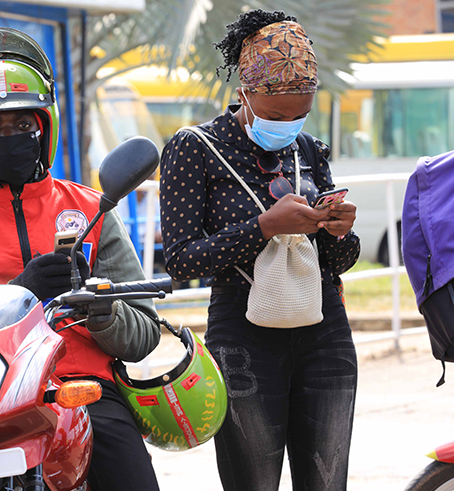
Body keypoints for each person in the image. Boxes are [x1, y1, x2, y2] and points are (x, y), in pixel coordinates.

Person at [0, 28, 161, 491]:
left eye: (21, 124)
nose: (7, 136)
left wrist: (98, 306)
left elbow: (144, 335)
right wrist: (17, 294)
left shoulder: (92, 209)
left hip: (83, 389)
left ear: (44, 129)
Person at [159, 10, 361, 491]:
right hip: (242, 335)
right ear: (244, 93)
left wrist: (337, 231)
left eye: (299, 115)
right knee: (252, 480)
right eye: (275, 115)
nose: (287, 125)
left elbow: (338, 263)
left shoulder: (308, 149)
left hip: (323, 326)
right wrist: (263, 228)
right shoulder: (195, 147)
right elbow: (181, 259)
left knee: (328, 480)